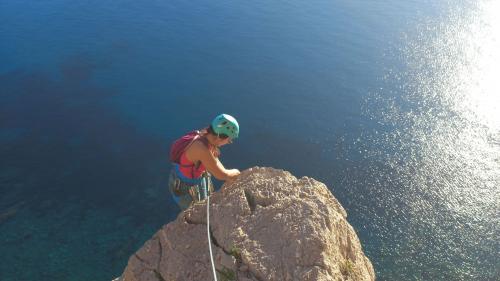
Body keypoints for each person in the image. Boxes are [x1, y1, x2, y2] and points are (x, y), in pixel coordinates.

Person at [168, 114, 241, 210]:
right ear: (220, 137)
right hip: (185, 188)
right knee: (195, 212)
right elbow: (221, 174)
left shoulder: (206, 136)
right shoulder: (201, 149)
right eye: (229, 140)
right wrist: (237, 172)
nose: (228, 143)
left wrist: (226, 172)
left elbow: (214, 161)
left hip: (190, 178)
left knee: (204, 204)